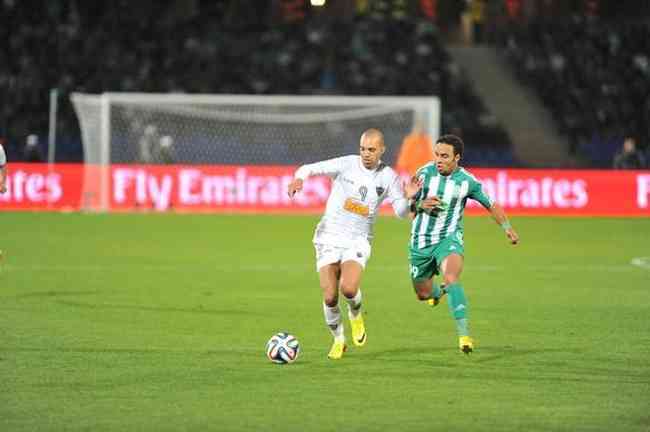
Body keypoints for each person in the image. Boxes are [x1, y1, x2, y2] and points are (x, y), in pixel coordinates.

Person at [287, 128, 421, 360]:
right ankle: (339, 339)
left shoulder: (388, 177)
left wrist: (410, 198)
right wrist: (299, 178)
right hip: (329, 235)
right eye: (362, 149)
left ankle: (355, 314)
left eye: (371, 149)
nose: (366, 154)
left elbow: (400, 212)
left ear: (382, 150)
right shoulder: (346, 164)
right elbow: (309, 168)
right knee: (329, 296)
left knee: (348, 288)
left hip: (358, 239)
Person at [408, 134, 519, 354]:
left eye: (445, 156)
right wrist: (418, 202)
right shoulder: (423, 173)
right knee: (423, 294)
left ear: (457, 157)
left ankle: (464, 336)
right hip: (420, 242)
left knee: (451, 277)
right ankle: (438, 294)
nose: (438, 159)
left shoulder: (468, 182)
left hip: (449, 239)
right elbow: (406, 206)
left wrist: (507, 228)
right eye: (437, 155)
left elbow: (491, 204)